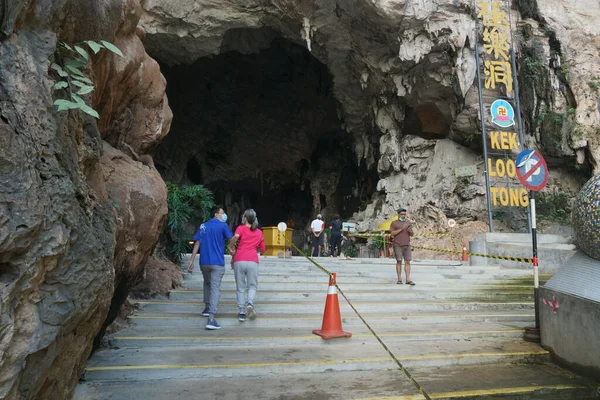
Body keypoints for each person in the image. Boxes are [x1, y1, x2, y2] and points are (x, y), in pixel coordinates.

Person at [187, 206, 233, 330]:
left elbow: (197, 243)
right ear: (216, 214)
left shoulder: (203, 226)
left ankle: (207, 308)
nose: (224, 215)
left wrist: (191, 261)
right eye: (222, 213)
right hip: (217, 263)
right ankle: (211, 318)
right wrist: (233, 253)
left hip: (204, 262)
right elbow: (231, 239)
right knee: (215, 288)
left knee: (207, 283)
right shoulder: (223, 226)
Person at [228, 209, 266, 322]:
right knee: (252, 285)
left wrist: (230, 246)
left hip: (239, 259)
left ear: (245, 218)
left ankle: (241, 312)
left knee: (240, 287)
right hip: (252, 261)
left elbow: (235, 237)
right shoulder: (259, 232)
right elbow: (263, 249)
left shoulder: (241, 228)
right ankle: (250, 303)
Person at [390, 208, 415, 285]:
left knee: (407, 261)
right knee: (399, 261)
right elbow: (392, 233)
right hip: (397, 245)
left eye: (404, 214)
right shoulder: (394, 223)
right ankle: (399, 279)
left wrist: (410, 231)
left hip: (407, 244)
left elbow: (412, 234)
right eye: (401, 214)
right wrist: (401, 229)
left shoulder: (408, 223)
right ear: (398, 215)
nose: (403, 216)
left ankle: (408, 279)